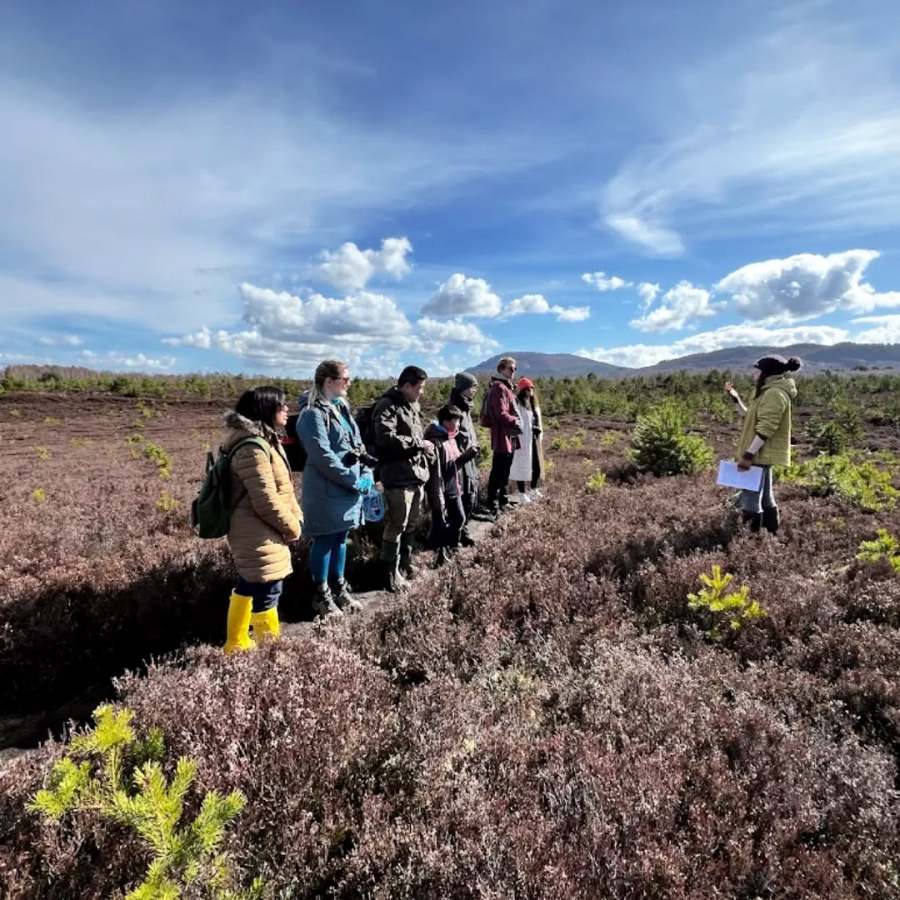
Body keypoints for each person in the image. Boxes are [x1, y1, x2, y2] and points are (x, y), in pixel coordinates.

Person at [222, 386, 302, 653]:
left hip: (255, 528)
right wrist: (292, 527)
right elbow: (265, 500)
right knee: (268, 590)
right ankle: (269, 657)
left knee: (249, 583)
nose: (287, 409)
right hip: (256, 530)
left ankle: (237, 645)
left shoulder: (261, 440)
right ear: (266, 410)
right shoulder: (252, 448)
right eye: (282, 405)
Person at [297, 360, 373, 618]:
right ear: (328, 381)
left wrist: (366, 475)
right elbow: (322, 456)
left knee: (341, 539)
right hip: (325, 491)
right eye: (345, 378)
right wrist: (353, 481)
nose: (349, 383)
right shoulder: (311, 415)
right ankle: (321, 595)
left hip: (348, 489)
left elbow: (359, 448)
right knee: (325, 540)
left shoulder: (342, 411)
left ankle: (339, 587)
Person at [724, 354, 802, 534]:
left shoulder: (774, 394)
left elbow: (767, 428)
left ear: (767, 372)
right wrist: (735, 398)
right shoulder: (769, 391)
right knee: (766, 497)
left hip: (758, 455)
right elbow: (750, 416)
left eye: (757, 370)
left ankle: (752, 541)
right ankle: (771, 534)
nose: (753, 373)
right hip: (761, 454)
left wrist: (748, 455)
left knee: (750, 499)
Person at [373, 365, 434, 591]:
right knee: (396, 524)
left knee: (411, 523)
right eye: (419, 388)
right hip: (397, 477)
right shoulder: (387, 405)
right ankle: (391, 574)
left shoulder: (411, 406)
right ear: (407, 385)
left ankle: (406, 564)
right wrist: (418, 444)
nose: (422, 392)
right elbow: (385, 438)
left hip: (415, 474)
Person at [424, 405, 479, 566]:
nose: (458, 424)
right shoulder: (436, 442)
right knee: (442, 523)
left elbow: (454, 464)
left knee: (458, 519)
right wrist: (437, 497)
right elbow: (437, 473)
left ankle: (448, 549)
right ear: (445, 421)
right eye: (455, 420)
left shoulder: (451, 438)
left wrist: (467, 456)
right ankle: (440, 552)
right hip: (442, 490)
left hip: (454, 487)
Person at [484, 356, 522, 516]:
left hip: (509, 436)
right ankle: (492, 503)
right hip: (502, 436)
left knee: (505, 471)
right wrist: (517, 421)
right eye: (511, 368)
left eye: (515, 369)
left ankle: (502, 501)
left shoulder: (507, 387)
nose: (514, 371)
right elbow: (500, 414)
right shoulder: (499, 388)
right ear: (501, 369)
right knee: (499, 471)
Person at [447, 371, 481, 544]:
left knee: (470, 493)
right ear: (463, 388)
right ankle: (455, 536)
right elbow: (452, 435)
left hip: (469, 457)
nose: (474, 390)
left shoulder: (466, 407)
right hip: (459, 460)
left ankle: (463, 530)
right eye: (471, 386)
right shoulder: (454, 408)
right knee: (462, 495)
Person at [509, 377, 544, 502]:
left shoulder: (532, 405)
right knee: (521, 465)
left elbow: (532, 421)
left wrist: (535, 428)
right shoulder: (518, 403)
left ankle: (533, 489)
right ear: (523, 390)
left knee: (536, 465)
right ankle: (522, 493)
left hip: (532, 440)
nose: (531, 391)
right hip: (521, 440)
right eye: (528, 389)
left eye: (532, 388)